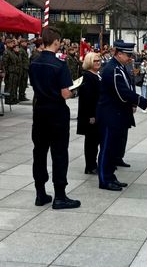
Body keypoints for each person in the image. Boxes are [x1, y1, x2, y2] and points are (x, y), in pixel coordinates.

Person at [96, 40, 147, 191]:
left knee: (113, 148)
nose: (130, 58)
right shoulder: (112, 69)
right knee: (107, 148)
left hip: (117, 115)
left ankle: (111, 176)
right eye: (128, 55)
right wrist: (145, 103)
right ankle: (104, 179)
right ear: (118, 54)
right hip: (110, 115)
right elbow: (122, 93)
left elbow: (128, 88)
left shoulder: (120, 67)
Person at [29, 27, 81, 210]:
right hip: (57, 113)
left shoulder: (34, 62)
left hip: (40, 111)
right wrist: (75, 92)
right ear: (57, 42)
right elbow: (65, 94)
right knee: (59, 153)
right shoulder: (60, 65)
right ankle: (60, 195)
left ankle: (40, 193)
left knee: (40, 152)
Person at [77, 52, 102, 174]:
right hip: (91, 115)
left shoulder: (97, 75)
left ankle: (94, 163)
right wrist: (91, 115)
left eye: (99, 60)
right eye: (95, 61)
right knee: (91, 142)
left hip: (98, 113)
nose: (98, 62)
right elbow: (88, 98)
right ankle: (90, 165)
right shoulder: (88, 76)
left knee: (95, 141)